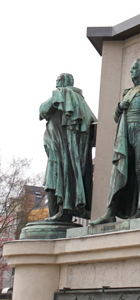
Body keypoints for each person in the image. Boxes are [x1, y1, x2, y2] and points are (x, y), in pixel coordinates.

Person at [91, 59, 140, 224]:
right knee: (119, 170)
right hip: (125, 135)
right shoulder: (128, 92)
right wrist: (119, 107)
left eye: (134, 68)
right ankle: (110, 212)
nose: (131, 71)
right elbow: (116, 117)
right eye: (131, 68)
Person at [39, 73, 96, 221]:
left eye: (59, 81)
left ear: (66, 82)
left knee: (54, 181)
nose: (57, 84)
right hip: (61, 149)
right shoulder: (78, 101)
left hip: (61, 149)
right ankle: (58, 214)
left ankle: (61, 214)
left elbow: (42, 110)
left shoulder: (65, 94)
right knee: (53, 182)